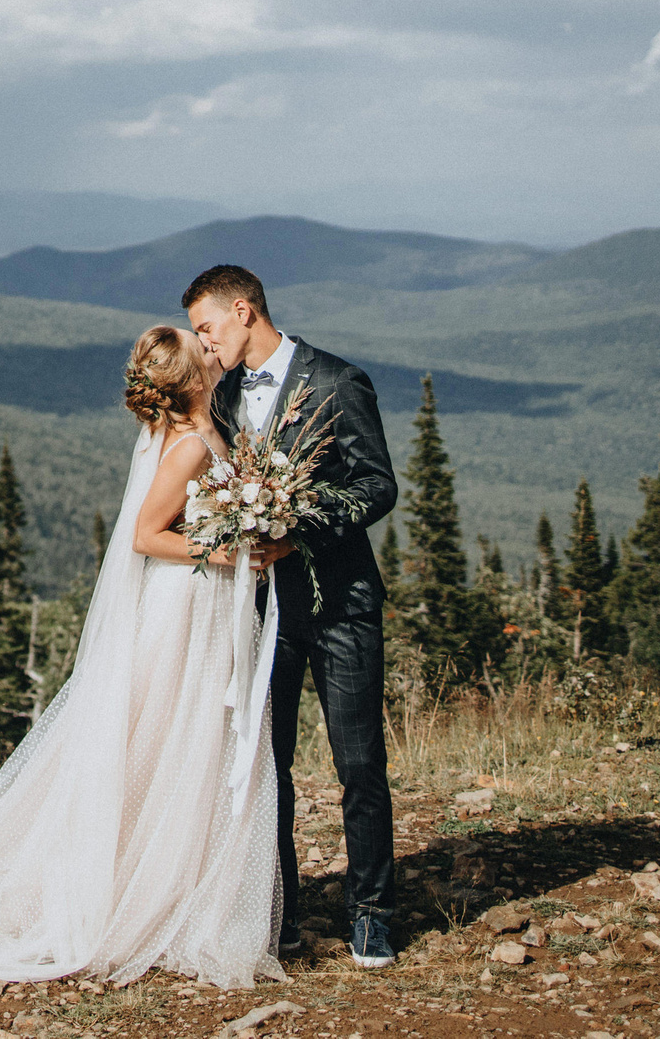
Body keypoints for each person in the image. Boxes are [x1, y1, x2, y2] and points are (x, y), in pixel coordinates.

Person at [0, 325, 282, 987]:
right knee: (173, 734)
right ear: (193, 379)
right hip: (187, 605)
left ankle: (178, 888)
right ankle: (143, 894)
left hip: (207, 601)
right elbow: (146, 534)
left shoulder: (204, 429)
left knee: (189, 742)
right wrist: (228, 552)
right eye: (204, 352)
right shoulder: (190, 446)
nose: (212, 351)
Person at [183, 263, 399, 970]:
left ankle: (372, 911)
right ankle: (279, 911)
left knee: (359, 761)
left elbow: (377, 484)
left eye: (207, 328)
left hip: (341, 604)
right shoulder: (221, 397)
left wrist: (299, 520)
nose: (203, 345)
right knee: (265, 764)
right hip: (264, 609)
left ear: (243, 311)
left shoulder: (338, 382)